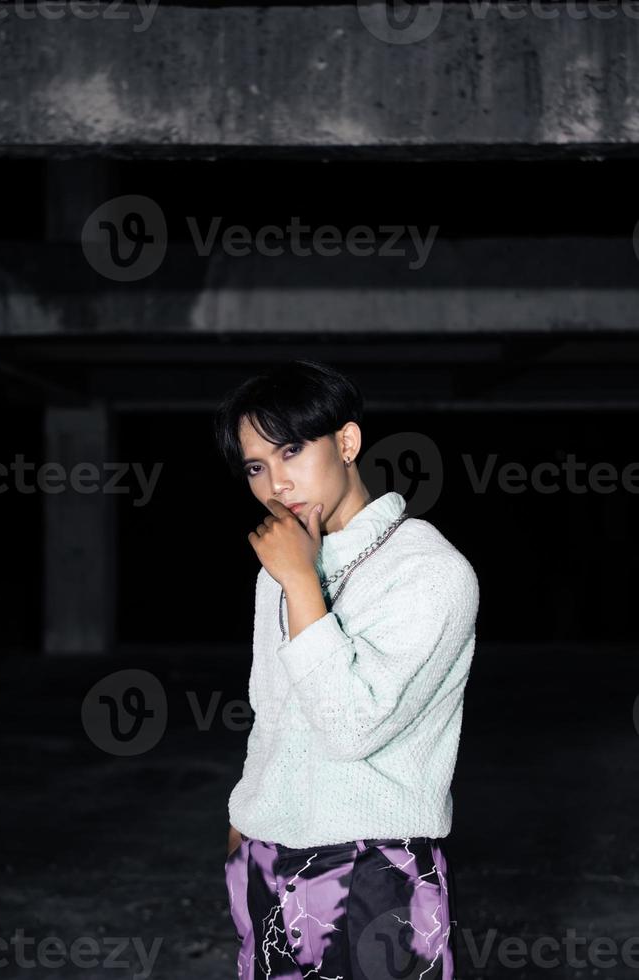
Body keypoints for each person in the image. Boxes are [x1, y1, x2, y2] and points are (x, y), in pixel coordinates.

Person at [213, 358, 479, 980]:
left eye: (291, 451)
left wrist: (302, 582)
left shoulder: (431, 572)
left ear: (347, 442)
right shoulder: (281, 568)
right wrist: (244, 820)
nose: (276, 483)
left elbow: (351, 728)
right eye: (257, 466)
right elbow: (270, 709)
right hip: (265, 854)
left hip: (376, 869)